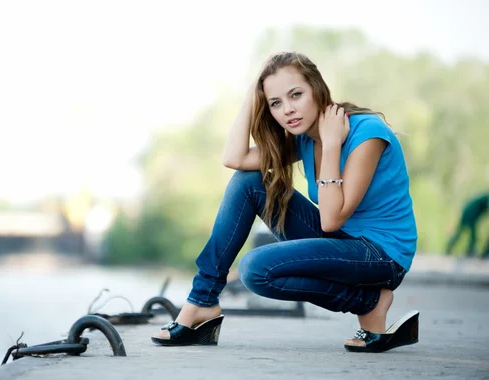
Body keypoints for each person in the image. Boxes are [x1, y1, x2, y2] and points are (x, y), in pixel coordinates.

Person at [151, 52, 419, 352]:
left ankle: (369, 302)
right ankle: (202, 300)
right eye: (276, 103)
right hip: (342, 243)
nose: (288, 110)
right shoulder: (304, 137)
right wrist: (253, 97)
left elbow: (331, 219)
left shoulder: (366, 133)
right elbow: (234, 158)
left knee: (255, 269)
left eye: (296, 95)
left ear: (317, 89)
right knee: (249, 181)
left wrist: (331, 144)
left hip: (381, 255)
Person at [445, 193, 489, 257]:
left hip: (467, 213)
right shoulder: (486, 198)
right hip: (470, 215)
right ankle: (469, 251)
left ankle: (450, 247)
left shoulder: (484, 197)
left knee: (461, 232)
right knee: (472, 235)